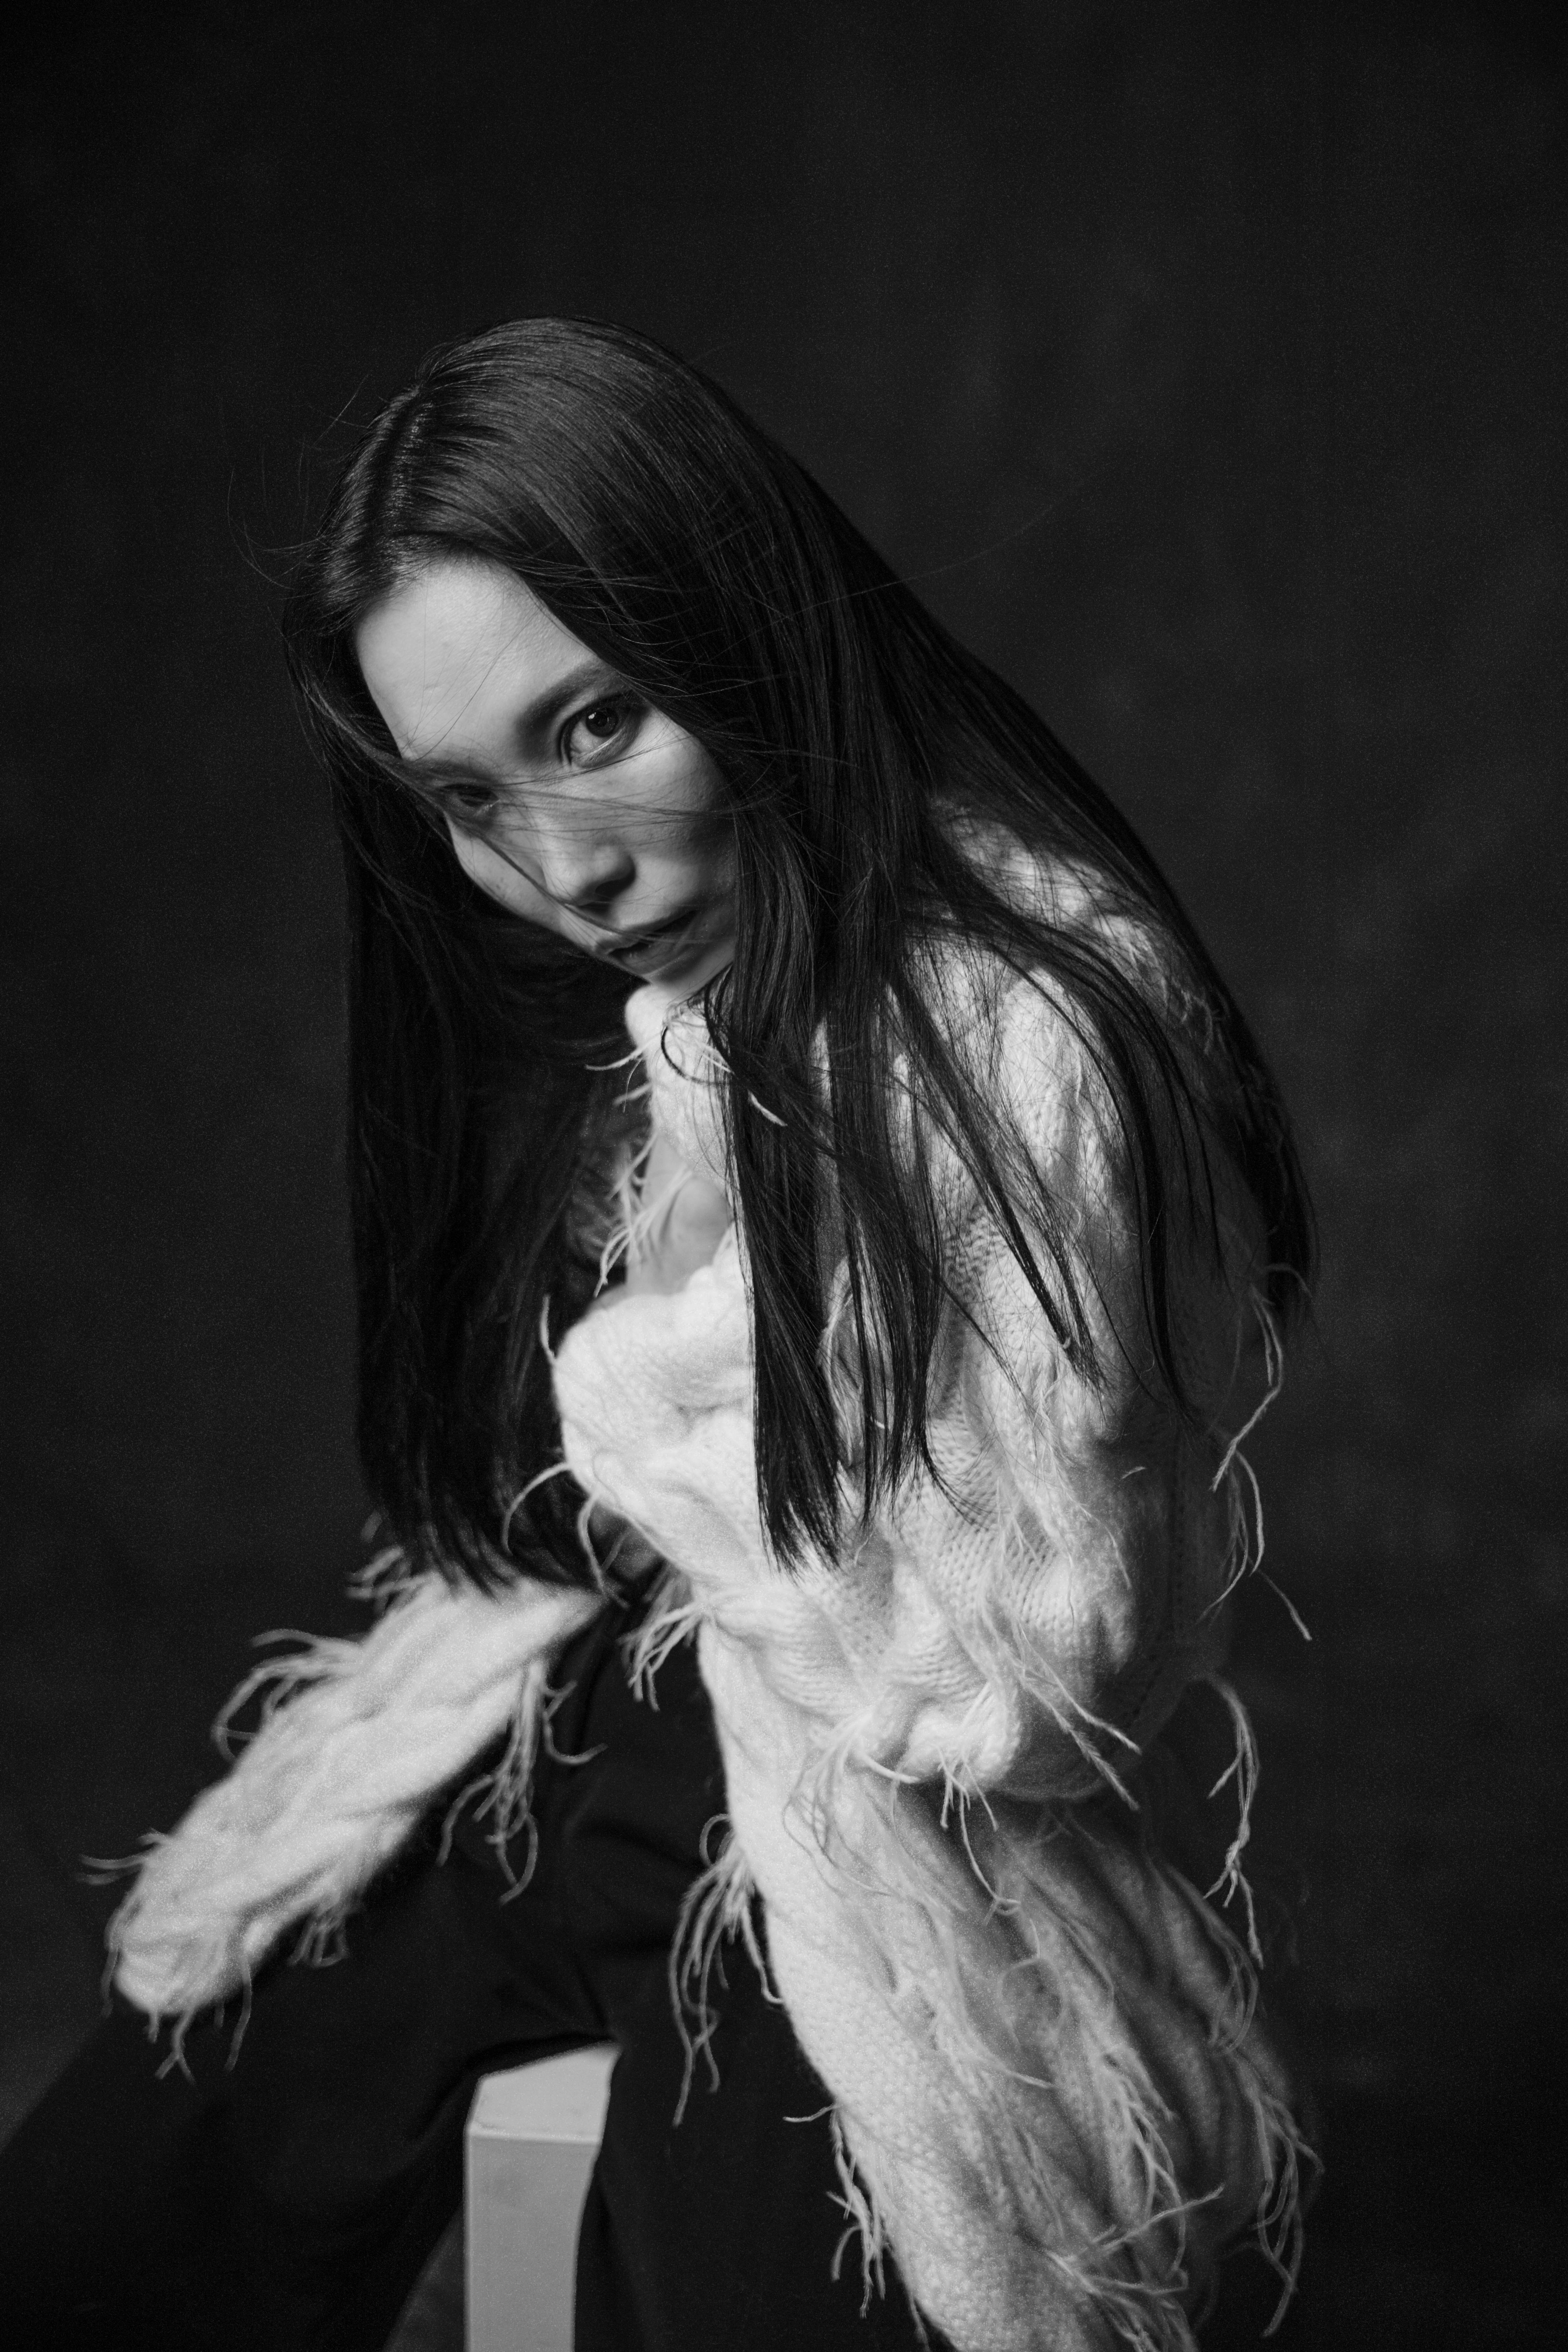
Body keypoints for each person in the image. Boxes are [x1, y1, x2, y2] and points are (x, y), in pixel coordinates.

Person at [0, 317, 1315, 2351]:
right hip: (584, 1748)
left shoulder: (1032, 1033)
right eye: (468, 795)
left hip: (884, 1846)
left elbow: (1035, 1692)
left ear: (748, 632)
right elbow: (565, 1544)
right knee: (106, 2216)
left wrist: (666, 1337)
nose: (567, 869)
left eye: (599, 722)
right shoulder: (674, 1011)